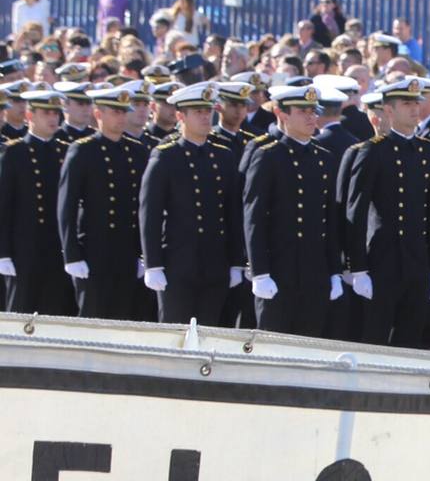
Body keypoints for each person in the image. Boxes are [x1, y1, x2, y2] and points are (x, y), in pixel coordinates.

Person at [345, 77, 430, 348]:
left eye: (416, 102)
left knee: (410, 340)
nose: (415, 109)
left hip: (417, 261)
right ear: (388, 110)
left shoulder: (428, 151)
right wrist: (358, 268)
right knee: (374, 338)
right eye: (406, 103)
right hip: (381, 260)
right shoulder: (373, 151)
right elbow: (356, 211)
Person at [138, 82, 246, 324]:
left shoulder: (223, 156)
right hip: (177, 264)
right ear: (180, 116)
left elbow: (232, 213)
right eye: (198, 112)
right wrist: (153, 264)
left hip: (215, 262)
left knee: (209, 332)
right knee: (175, 333)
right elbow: (150, 213)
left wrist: (237, 261)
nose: (205, 117)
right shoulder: (165, 156)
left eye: (208, 111)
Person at [242, 85, 342, 336]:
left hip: (314, 271)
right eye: (303, 111)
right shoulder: (268, 156)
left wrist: (334, 272)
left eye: (313, 110)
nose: (311, 117)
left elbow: (330, 220)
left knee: (310, 344)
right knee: (273, 346)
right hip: (278, 270)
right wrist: (260, 272)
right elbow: (253, 218)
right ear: (282, 114)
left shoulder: (324, 158)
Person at [57, 83, 151, 320]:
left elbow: (143, 207)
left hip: (126, 251)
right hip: (93, 253)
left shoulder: (137, 152)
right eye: (115, 112)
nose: (122, 117)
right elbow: (66, 206)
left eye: (123, 111)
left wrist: (144, 255)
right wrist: (72, 255)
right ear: (98, 114)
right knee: (93, 318)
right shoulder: (83, 151)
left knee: (124, 319)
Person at [0, 88, 75, 316]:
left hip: (56, 247)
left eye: (56, 113)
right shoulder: (14, 152)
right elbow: (3, 205)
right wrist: (3, 252)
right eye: (46, 113)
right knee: (21, 311)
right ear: (30, 116)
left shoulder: (65, 151)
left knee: (56, 312)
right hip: (24, 250)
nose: (53, 118)